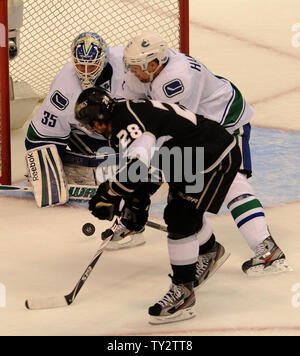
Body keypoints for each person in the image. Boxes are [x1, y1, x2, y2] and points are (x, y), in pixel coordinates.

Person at [103, 30, 291, 277]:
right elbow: (131, 113)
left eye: (138, 66)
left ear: (155, 63)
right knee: (181, 190)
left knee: (230, 182)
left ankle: (267, 251)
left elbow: (172, 133)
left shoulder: (175, 81)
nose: (133, 72)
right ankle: (206, 250)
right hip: (199, 127)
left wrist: (139, 181)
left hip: (225, 122)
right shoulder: (144, 71)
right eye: (131, 65)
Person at [74, 87, 242, 324]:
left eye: (93, 123)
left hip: (212, 159)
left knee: (180, 218)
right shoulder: (124, 115)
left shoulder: (126, 127)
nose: (93, 129)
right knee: (179, 210)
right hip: (188, 157)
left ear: (102, 116)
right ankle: (210, 251)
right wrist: (136, 203)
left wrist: (110, 194)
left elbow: (138, 168)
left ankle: (183, 294)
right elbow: (149, 163)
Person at [24, 32, 124, 192]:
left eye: (91, 66)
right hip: (89, 137)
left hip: (127, 130)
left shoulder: (127, 65)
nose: (85, 72)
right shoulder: (64, 89)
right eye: (79, 65)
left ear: (104, 60)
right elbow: (39, 136)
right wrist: (47, 173)